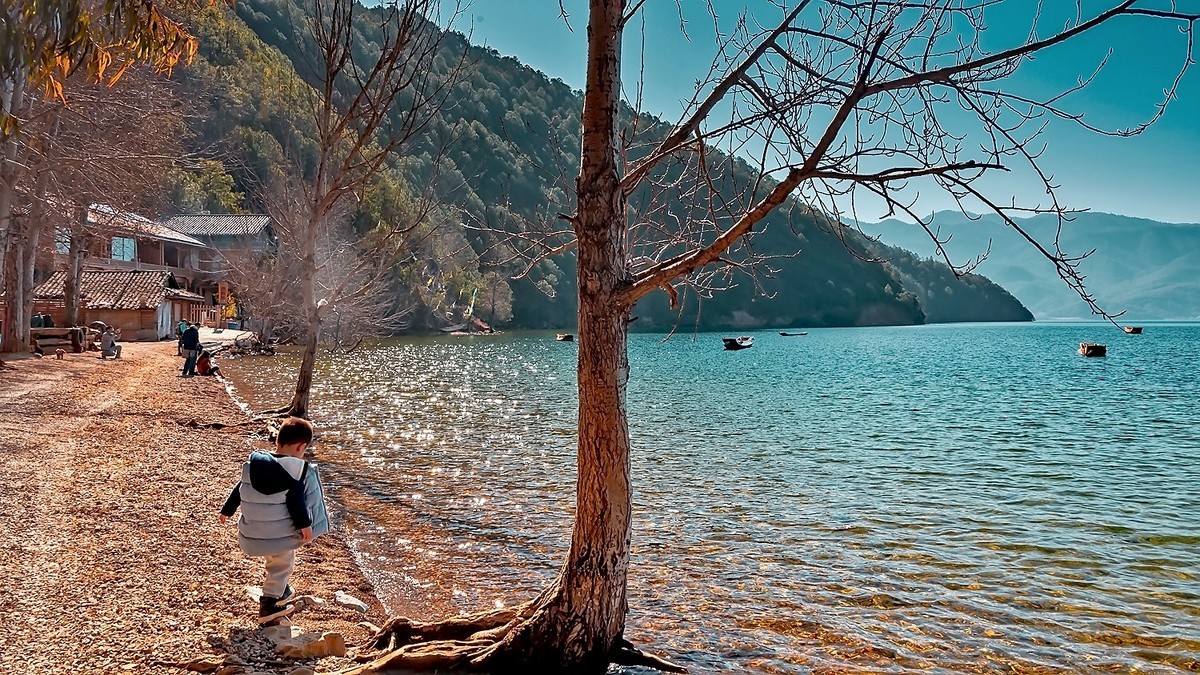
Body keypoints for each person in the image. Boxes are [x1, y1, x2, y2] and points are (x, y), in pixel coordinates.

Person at [219, 417, 330, 624]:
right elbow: (295, 502)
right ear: (301, 447)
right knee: (283, 561)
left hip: (252, 534)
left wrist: (227, 509)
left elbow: (240, 488)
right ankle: (269, 604)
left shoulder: (254, 465)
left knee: (275, 557)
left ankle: (281, 591)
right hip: (277, 535)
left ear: (277, 442)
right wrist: (305, 526)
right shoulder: (296, 471)